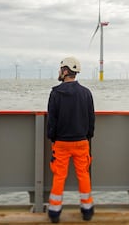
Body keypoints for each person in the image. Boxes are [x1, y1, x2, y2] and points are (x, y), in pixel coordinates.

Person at [47, 56, 95, 223]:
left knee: (59, 176)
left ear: (65, 71)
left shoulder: (56, 93)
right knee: (83, 175)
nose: (59, 72)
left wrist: (52, 138)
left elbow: (51, 120)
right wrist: (88, 137)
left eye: (61, 69)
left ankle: (54, 213)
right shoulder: (86, 93)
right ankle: (87, 210)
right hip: (82, 142)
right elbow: (91, 119)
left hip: (61, 143)